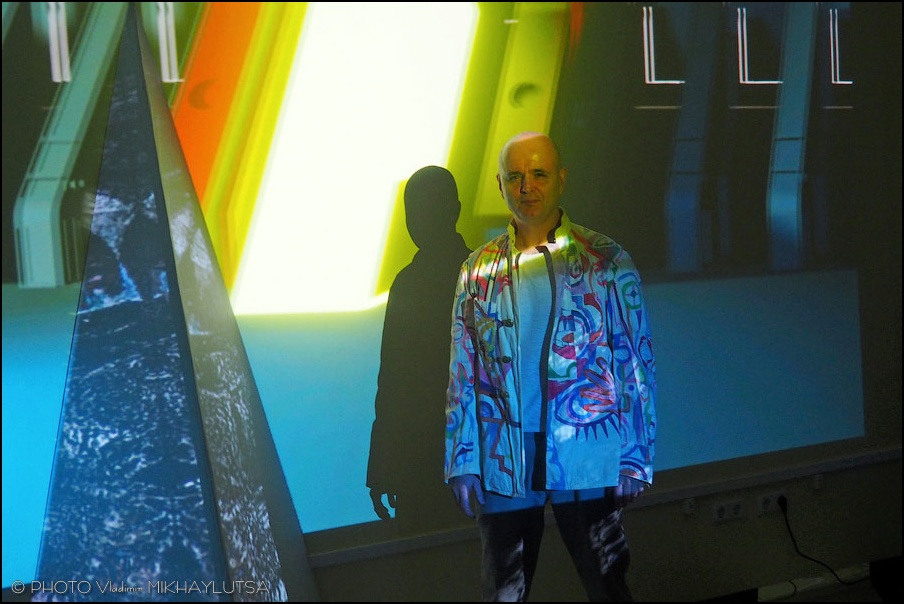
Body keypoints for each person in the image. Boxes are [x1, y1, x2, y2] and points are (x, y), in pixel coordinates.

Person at [444, 131, 657, 602]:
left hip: (588, 447)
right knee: (505, 590)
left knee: (606, 582)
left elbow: (636, 364)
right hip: (505, 451)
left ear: (560, 179)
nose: (527, 187)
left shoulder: (606, 260)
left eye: (538, 173)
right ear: (500, 185)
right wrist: (462, 458)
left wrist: (635, 456)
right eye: (515, 176)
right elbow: (463, 371)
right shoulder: (477, 271)